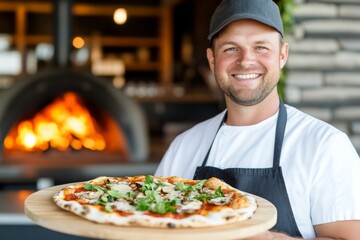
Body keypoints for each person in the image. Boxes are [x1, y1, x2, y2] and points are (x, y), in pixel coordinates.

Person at [154, 0, 360, 239]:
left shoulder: (324, 145)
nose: (245, 61)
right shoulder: (184, 146)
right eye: (231, 48)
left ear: (282, 55)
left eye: (261, 47)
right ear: (212, 60)